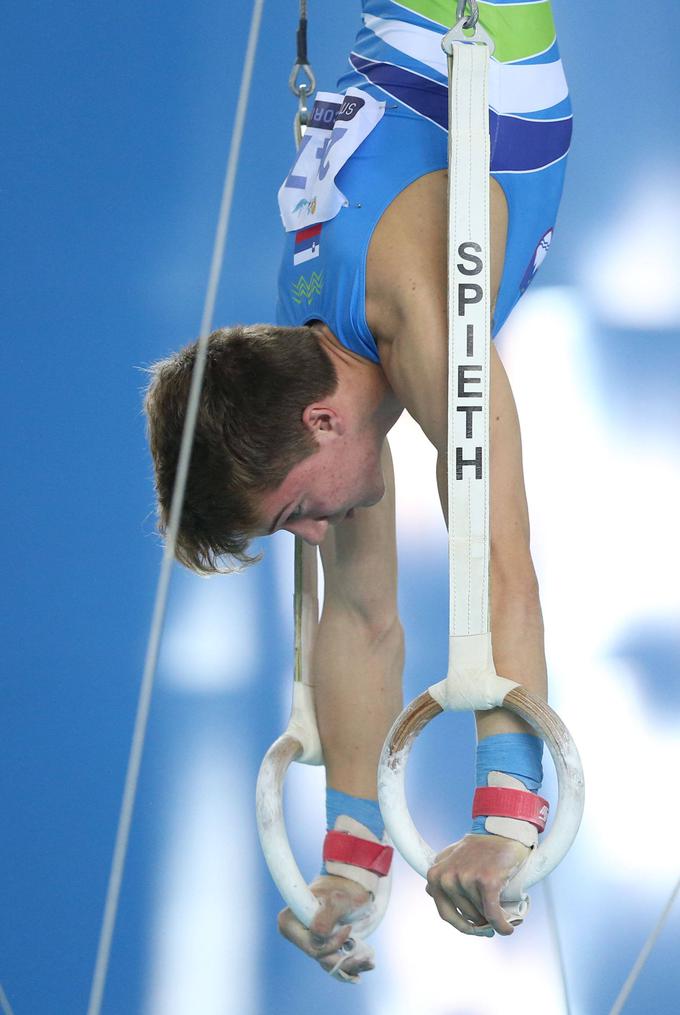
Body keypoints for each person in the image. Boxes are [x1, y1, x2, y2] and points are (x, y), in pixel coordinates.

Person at [145, 0, 571, 981]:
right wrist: (348, 861)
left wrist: (504, 822)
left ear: (319, 425)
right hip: (407, 49)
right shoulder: (308, 365)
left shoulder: (415, 315)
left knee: (481, 535)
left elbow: (503, 573)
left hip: (462, 25)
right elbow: (363, 620)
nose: (313, 529)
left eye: (296, 509)